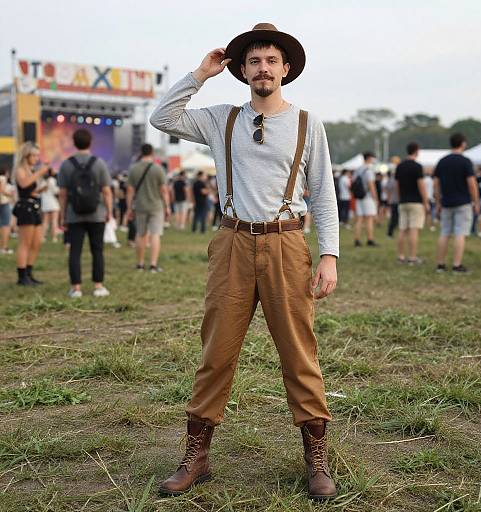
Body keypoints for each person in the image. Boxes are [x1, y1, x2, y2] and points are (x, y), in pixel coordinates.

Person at [150, 23, 339, 500]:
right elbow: (162, 118)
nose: (263, 68)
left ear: (286, 68)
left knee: (299, 352)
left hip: (286, 244)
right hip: (232, 242)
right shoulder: (221, 119)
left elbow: (324, 194)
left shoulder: (305, 122)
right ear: (243, 70)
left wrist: (329, 254)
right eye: (254, 61)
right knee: (216, 351)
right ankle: (197, 455)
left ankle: (315, 457)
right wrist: (200, 74)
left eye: (271, 61)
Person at [58, 128, 113, 298]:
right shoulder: (99, 163)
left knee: (75, 251)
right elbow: (106, 191)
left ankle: (76, 288)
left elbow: (63, 193)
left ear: (74, 143)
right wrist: (109, 211)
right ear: (90, 143)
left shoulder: (66, 165)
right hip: (97, 214)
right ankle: (98, 286)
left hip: (74, 215)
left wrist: (62, 214)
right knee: (97, 250)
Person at [434, 133, 479, 273]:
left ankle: (440, 264)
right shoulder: (465, 161)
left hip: (446, 201)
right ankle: (456, 265)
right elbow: (471, 183)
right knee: (460, 233)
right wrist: (476, 201)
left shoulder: (442, 161)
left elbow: (436, 184)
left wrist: (438, 202)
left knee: (445, 232)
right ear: (463, 143)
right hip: (463, 202)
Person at [126, 143, 170, 272]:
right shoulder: (158, 168)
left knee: (141, 234)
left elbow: (129, 191)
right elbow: (164, 190)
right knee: (155, 235)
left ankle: (139, 264)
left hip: (140, 206)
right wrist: (167, 206)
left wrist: (129, 208)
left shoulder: (133, 168)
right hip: (156, 206)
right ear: (152, 153)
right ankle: (153, 265)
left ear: (141, 152)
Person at [12, 142, 49, 285]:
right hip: (25, 208)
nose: (36, 158)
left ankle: (29, 272)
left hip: (34, 206)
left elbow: (29, 188)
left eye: (37, 155)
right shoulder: (20, 169)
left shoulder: (30, 170)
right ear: (26, 155)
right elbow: (23, 184)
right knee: (25, 243)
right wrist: (40, 172)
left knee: (37, 242)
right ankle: (22, 276)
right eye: (33, 155)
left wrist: (39, 190)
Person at [395, 142, 429, 264]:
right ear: (417, 151)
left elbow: (397, 185)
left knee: (402, 229)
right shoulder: (417, 166)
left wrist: (400, 198)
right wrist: (426, 201)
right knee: (414, 230)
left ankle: (400, 256)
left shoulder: (399, 166)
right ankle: (412, 257)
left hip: (403, 201)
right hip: (416, 202)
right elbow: (421, 186)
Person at [353, 152, 378, 247]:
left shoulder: (358, 170)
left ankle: (357, 240)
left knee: (359, 219)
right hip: (367, 197)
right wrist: (375, 197)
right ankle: (370, 239)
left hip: (359, 196)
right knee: (369, 218)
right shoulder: (368, 170)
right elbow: (371, 185)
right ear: (369, 158)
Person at [41, 166, 60, 242]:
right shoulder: (52, 180)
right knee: (54, 220)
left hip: (45, 203)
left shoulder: (43, 181)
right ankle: (54, 237)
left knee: (45, 221)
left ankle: (43, 237)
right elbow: (55, 191)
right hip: (53, 203)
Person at [0, 168, 14, 254]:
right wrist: (10, 194)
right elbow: (2, 190)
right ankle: (4, 247)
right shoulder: (2, 178)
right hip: (3, 203)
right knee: (6, 225)